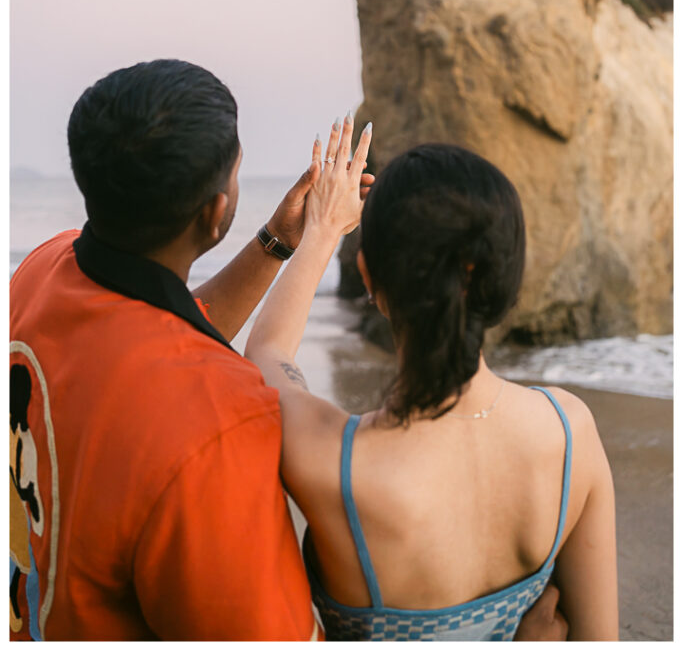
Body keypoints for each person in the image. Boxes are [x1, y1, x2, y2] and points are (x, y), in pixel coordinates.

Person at [10, 58, 568, 641]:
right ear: (217, 209)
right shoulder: (218, 426)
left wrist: (283, 240)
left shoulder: (42, 271)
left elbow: (158, 327)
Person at [244, 116, 619, 640]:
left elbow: (266, 352)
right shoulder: (569, 431)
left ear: (370, 279)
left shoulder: (339, 465)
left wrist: (324, 229)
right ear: (506, 282)